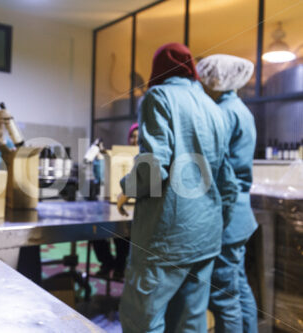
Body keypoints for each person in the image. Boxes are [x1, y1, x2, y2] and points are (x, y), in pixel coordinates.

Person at [117, 43, 238, 332]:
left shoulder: (158, 96)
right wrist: (217, 224)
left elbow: (153, 166)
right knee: (190, 323)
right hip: (205, 238)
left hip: (166, 237)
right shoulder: (215, 108)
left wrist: (127, 188)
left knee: (142, 320)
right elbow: (228, 183)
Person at [197, 54, 258, 333]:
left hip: (229, 215)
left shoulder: (223, 112)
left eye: (205, 78)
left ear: (218, 80)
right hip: (242, 215)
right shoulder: (240, 108)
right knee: (238, 284)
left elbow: (218, 168)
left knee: (223, 296)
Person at [93, 123, 138, 280]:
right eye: (132, 136)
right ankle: (107, 262)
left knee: (123, 235)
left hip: (136, 208)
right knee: (94, 230)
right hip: (115, 202)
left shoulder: (145, 158)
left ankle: (120, 266)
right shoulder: (120, 156)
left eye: (138, 137)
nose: (134, 140)